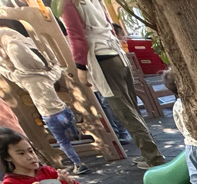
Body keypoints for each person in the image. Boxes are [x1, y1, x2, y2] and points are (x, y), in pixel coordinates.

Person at [56, 0, 165, 168]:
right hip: (116, 53)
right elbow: (109, 26)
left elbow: (76, 36)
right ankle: (150, 153)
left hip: (103, 59)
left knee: (125, 112)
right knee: (131, 109)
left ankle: (154, 158)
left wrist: (81, 66)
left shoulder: (68, 3)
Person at [0, 22, 89, 174]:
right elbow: (56, 70)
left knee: (63, 141)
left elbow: (7, 72)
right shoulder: (45, 74)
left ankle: (78, 163)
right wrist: (52, 61)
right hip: (63, 112)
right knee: (70, 124)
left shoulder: (21, 77)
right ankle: (75, 132)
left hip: (50, 117)